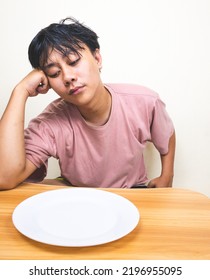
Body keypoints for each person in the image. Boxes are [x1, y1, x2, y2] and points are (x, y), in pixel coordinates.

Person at [0, 17, 175, 190]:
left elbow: (166, 133)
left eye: (74, 61)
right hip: (78, 196)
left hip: (131, 192)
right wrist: (20, 91)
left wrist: (166, 176)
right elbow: (4, 178)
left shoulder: (144, 101)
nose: (68, 77)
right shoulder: (49, 122)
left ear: (97, 58)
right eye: (54, 73)